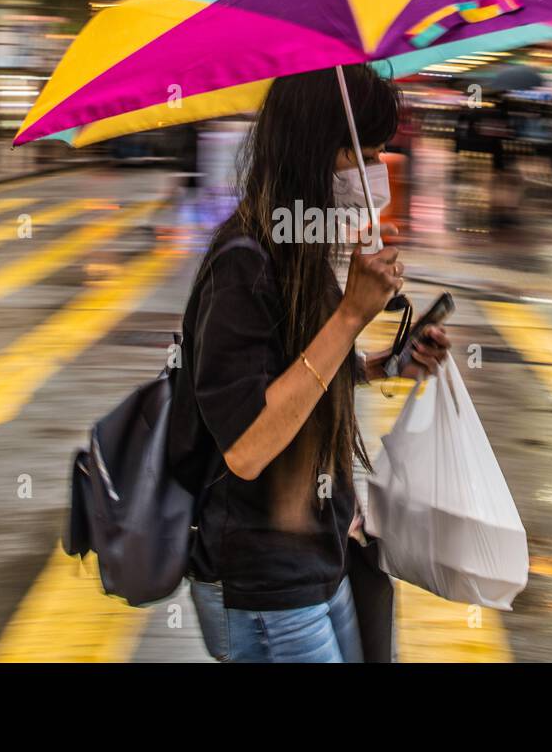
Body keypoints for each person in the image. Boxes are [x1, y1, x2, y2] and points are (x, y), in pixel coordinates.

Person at [173, 64, 451, 663]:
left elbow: (295, 375)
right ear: (312, 152)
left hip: (321, 555)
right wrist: (349, 316)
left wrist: (383, 365)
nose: (376, 172)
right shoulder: (242, 264)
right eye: (363, 154)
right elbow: (248, 446)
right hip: (266, 582)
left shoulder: (300, 253)